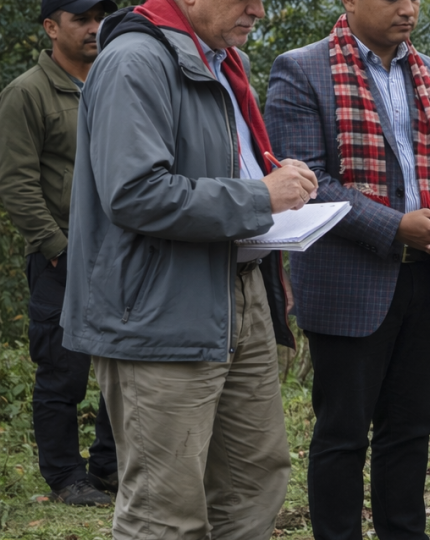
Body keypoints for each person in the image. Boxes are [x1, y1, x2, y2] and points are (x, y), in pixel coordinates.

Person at [62, 0, 319, 536]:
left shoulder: (225, 61)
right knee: (166, 508)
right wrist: (259, 196)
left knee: (254, 482)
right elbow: (134, 193)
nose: (260, 12)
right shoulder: (135, 60)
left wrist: (273, 189)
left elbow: (225, 169)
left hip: (236, 298)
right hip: (160, 313)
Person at [264, 0, 430, 536]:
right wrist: (395, 226)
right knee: (341, 433)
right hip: (348, 279)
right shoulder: (303, 69)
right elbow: (308, 179)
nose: (407, 9)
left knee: (410, 428)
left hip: (428, 274)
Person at [0, 0, 118, 507]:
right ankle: (66, 476)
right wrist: (56, 250)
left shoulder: (115, 80)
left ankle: (111, 466)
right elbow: (16, 183)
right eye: (81, 20)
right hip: (62, 256)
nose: (95, 29)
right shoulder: (26, 92)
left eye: (100, 19)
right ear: (51, 27)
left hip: (121, 253)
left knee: (126, 362)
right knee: (61, 370)